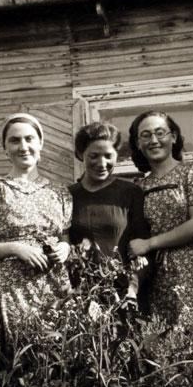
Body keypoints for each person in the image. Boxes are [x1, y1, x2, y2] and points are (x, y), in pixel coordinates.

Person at [0, 113, 72, 352]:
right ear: (5, 148)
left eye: (29, 139)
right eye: (15, 141)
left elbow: (64, 237)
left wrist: (65, 248)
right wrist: (16, 248)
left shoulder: (60, 192)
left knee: (54, 361)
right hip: (7, 291)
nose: (23, 146)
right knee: (12, 362)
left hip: (52, 287)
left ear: (40, 143)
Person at [128, 111, 193, 325]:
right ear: (138, 143)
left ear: (173, 137)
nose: (153, 140)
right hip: (155, 275)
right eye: (145, 135)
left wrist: (150, 243)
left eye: (160, 133)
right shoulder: (139, 187)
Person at [68, 122, 149, 303]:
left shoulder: (131, 192)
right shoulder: (68, 196)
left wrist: (133, 286)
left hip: (123, 293)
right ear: (81, 155)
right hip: (80, 295)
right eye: (94, 156)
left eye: (108, 156)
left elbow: (141, 247)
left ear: (117, 156)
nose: (102, 163)